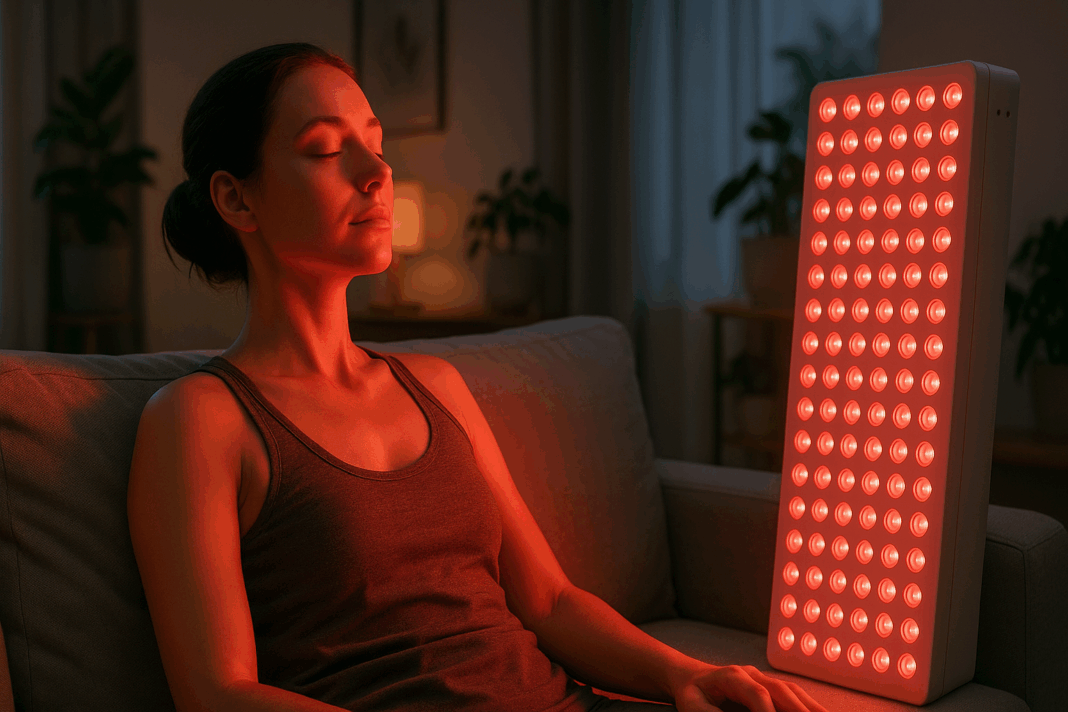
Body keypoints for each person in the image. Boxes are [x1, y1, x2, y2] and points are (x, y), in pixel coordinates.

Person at [126, 42, 828, 712]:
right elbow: (217, 693)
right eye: (325, 149)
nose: (376, 171)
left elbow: (548, 601)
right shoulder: (200, 419)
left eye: (375, 142)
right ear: (236, 200)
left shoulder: (434, 382)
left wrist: (690, 675)